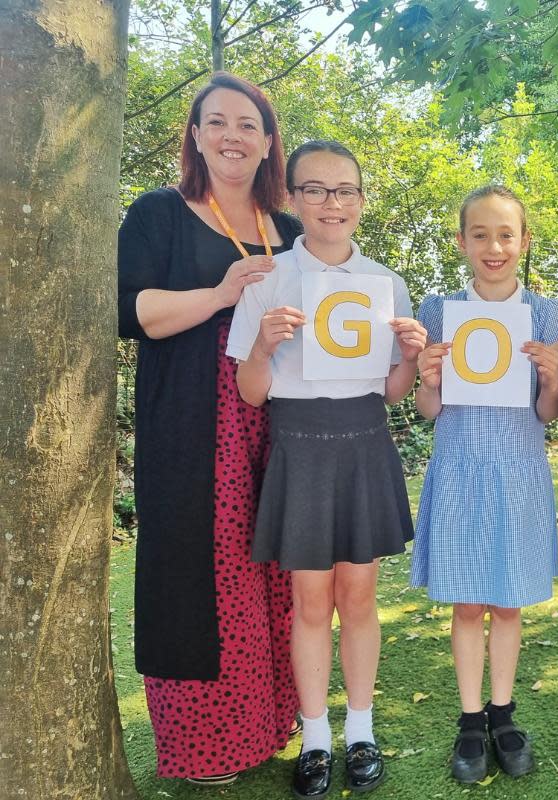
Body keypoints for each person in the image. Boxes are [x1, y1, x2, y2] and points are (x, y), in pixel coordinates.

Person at [116, 72, 301, 784]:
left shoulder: (286, 230)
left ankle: (274, 723)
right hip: (196, 425)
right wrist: (222, 292)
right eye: (217, 122)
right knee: (203, 574)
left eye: (248, 124)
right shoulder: (159, 214)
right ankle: (203, 749)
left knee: (272, 569)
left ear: (267, 143)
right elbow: (129, 312)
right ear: (195, 135)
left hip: (278, 420)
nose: (233, 135)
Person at [226, 140, 425, 797]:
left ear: (362, 202)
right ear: (291, 198)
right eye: (315, 189)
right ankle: (316, 737)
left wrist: (409, 357)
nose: (331, 202)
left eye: (344, 191)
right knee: (311, 602)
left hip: (365, 442)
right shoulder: (267, 279)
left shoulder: (387, 284)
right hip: (300, 446)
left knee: (359, 596)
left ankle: (360, 730)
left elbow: (394, 391)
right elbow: (252, 392)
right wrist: (262, 343)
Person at [411, 185, 558, 783]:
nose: (494, 246)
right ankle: (471, 719)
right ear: (461, 242)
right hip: (458, 469)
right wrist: (430, 376)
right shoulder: (438, 310)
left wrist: (551, 379)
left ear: (524, 241)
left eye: (506, 234)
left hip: (520, 472)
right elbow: (429, 409)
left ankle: (504, 714)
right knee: (468, 603)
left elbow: (548, 413)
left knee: (507, 603)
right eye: (480, 234)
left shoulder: (549, 315)